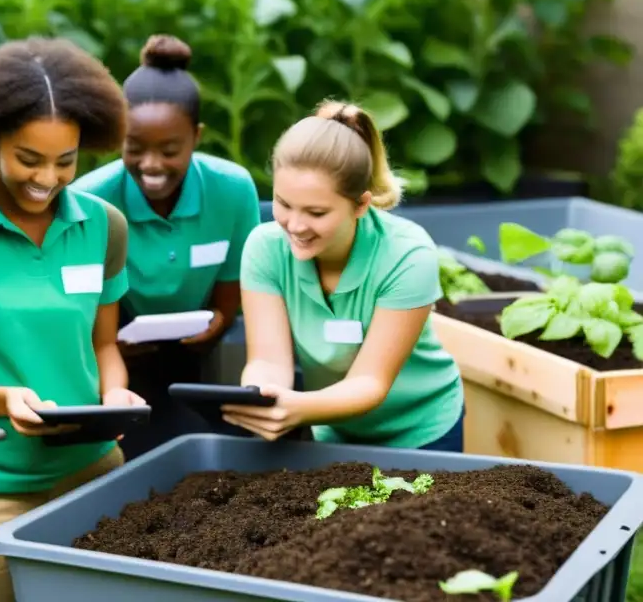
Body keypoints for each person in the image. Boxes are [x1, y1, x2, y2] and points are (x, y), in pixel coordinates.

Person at [0, 37, 145, 602]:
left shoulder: (105, 226)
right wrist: (4, 399)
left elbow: (105, 345)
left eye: (66, 161)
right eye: (28, 159)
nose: (48, 177)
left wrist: (117, 395)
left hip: (91, 475)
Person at [221, 100, 465, 451]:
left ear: (361, 204)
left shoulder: (407, 255)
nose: (296, 225)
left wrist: (298, 408)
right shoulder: (265, 248)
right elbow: (268, 360)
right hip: (331, 428)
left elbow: (370, 381)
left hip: (421, 429)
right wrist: (263, 396)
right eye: (283, 204)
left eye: (316, 212)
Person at [71, 34, 261, 459]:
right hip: (116, 351)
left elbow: (234, 287)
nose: (152, 165)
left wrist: (221, 319)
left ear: (196, 136)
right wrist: (111, 345)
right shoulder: (91, 201)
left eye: (170, 150)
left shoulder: (231, 190)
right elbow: (81, 305)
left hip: (200, 350)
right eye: (134, 148)